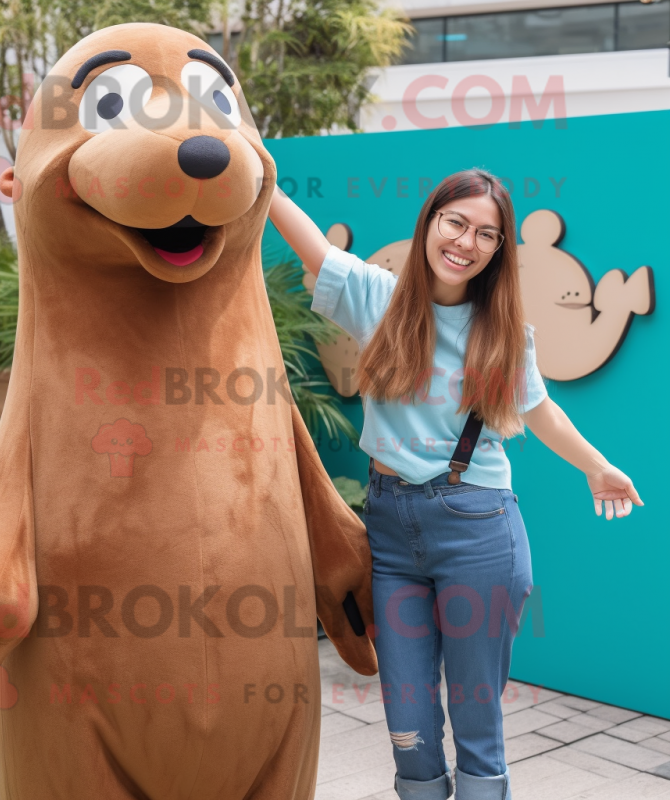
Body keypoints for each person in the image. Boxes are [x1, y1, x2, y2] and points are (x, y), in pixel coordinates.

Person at [267, 168, 643, 800]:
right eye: (457, 223)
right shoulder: (379, 298)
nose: (467, 242)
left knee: (476, 716)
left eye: (487, 234)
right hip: (389, 530)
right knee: (407, 719)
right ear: (430, 223)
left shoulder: (502, 331)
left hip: (478, 529)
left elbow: (540, 410)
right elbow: (313, 246)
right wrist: (261, 173)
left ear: (499, 250)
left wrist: (596, 466)